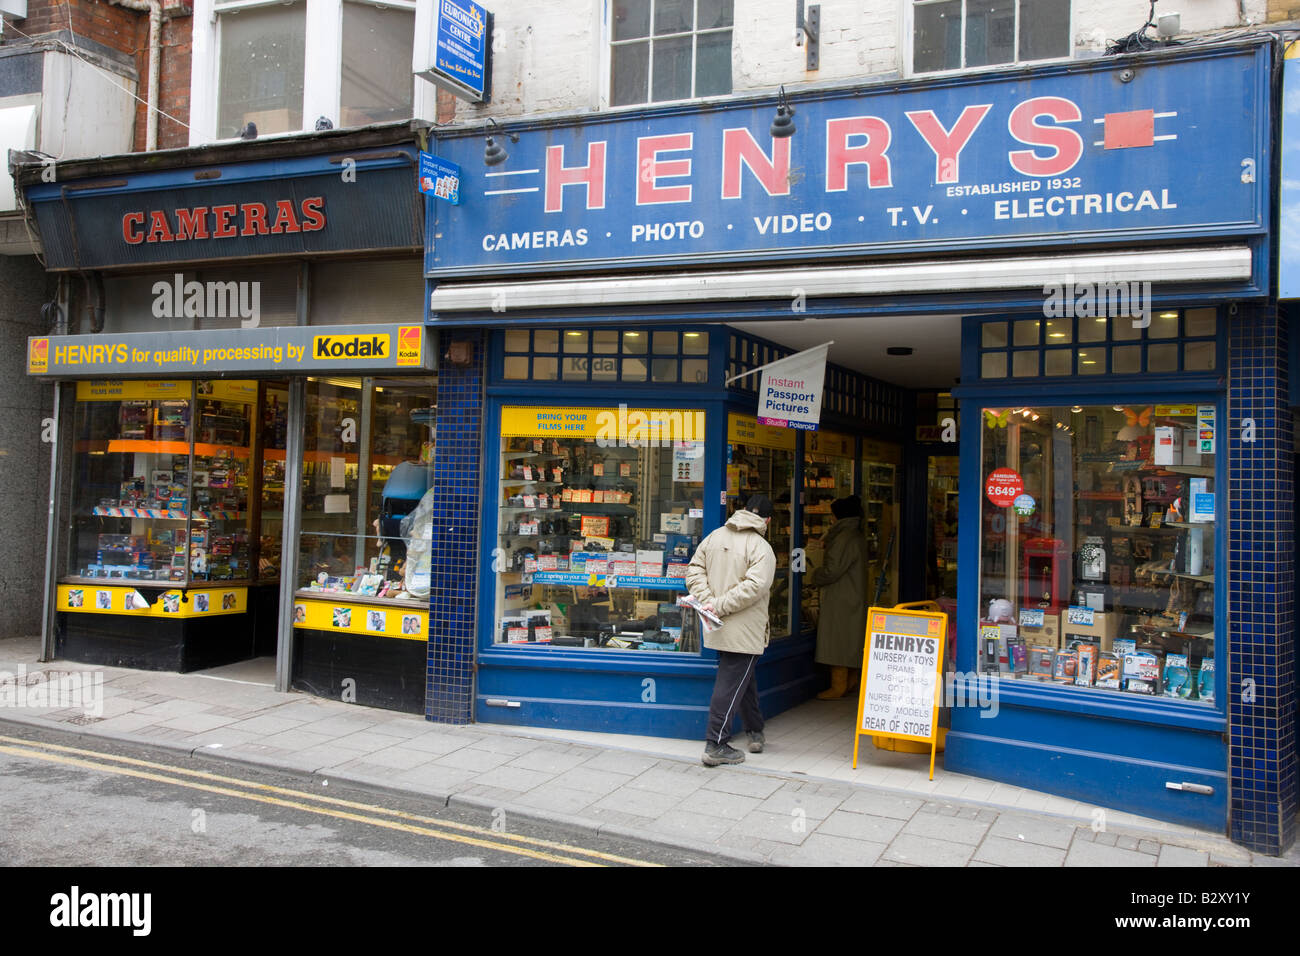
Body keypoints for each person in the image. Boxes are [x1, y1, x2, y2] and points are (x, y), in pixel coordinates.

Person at [686, 494, 777, 767]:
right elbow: (755, 588)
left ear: (744, 511)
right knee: (730, 682)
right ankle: (716, 743)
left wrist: (708, 602)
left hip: (717, 623)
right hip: (744, 627)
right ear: (768, 520)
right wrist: (719, 605)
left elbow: (693, 571)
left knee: (742, 678)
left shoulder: (714, 536)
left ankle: (754, 729)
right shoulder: (761, 547)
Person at [807, 495, 870, 700]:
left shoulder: (842, 537)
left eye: (832, 515)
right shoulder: (855, 534)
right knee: (851, 641)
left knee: (838, 641)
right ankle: (851, 682)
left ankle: (839, 685)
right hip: (852, 595)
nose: (831, 519)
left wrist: (814, 575)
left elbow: (832, 570)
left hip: (841, 597)